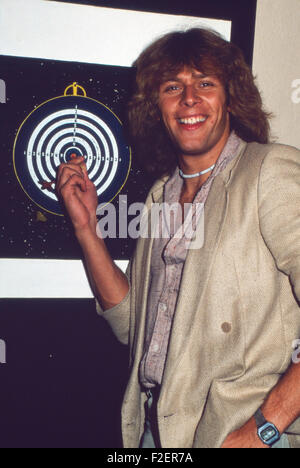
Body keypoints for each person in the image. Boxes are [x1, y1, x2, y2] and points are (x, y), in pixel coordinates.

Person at [56, 28, 300, 448]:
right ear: (157, 107)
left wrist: (262, 430)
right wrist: (87, 228)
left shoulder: (268, 171)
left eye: (205, 82)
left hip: (243, 435)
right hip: (159, 432)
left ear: (230, 97)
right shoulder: (160, 195)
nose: (189, 98)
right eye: (173, 87)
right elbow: (132, 327)